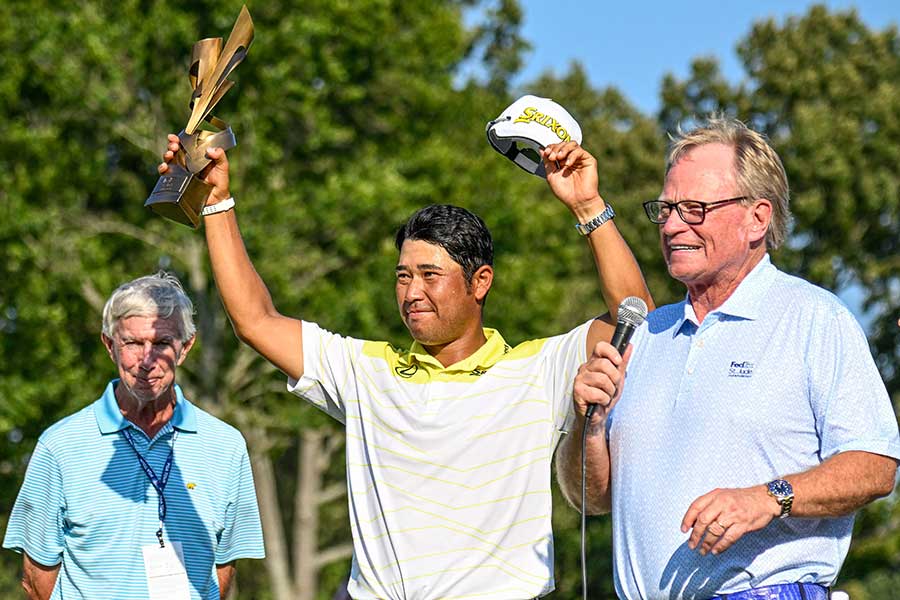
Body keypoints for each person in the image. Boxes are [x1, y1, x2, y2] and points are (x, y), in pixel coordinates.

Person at [158, 132, 652, 598]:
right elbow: (255, 321)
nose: (411, 292)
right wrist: (217, 202)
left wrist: (588, 206)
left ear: (480, 282)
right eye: (402, 276)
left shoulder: (538, 367)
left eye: (429, 275)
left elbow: (638, 321)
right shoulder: (366, 370)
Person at [556, 116, 900, 600]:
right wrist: (586, 427)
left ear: (758, 217)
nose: (673, 225)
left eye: (695, 209)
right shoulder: (646, 333)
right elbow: (589, 497)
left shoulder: (813, 318)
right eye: (667, 208)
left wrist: (769, 498)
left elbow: (875, 464)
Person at [3, 273, 265, 600]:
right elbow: (36, 577)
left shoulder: (226, 446)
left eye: (161, 343)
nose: (147, 361)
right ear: (110, 345)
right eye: (133, 343)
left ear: (185, 348)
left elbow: (224, 565)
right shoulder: (60, 447)